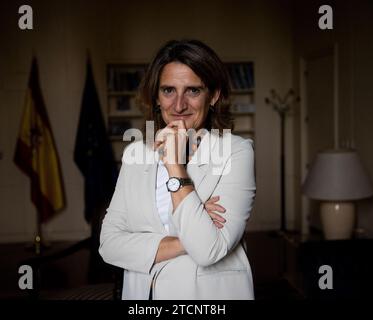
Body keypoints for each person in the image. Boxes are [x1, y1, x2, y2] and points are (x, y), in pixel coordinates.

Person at [99, 39, 256, 300]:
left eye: (193, 91)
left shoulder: (236, 152)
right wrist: (189, 239)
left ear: (214, 95)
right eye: (168, 90)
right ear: (156, 98)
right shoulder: (136, 154)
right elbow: (109, 244)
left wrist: (174, 165)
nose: (179, 105)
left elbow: (207, 252)